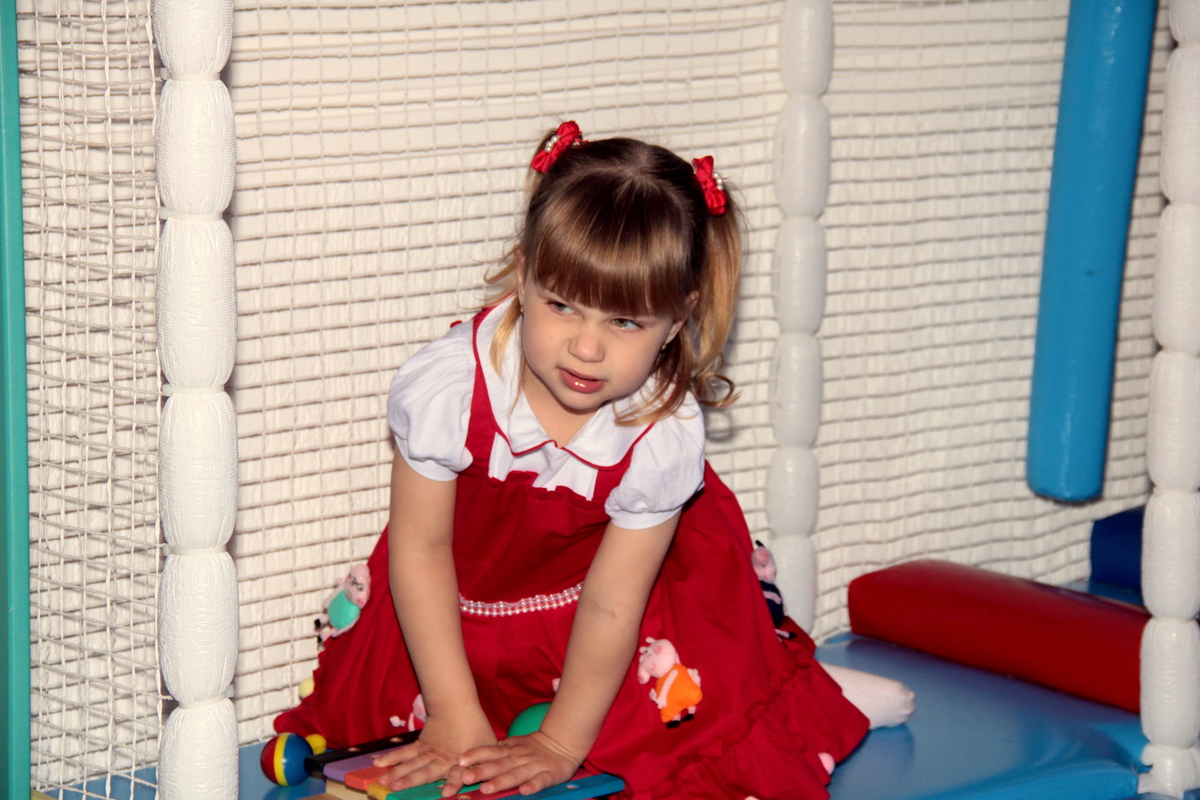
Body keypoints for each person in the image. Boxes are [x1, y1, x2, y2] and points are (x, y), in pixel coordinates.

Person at [274, 121, 868, 800]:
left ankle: (824, 700)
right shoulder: (451, 386)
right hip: (452, 601)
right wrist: (455, 713)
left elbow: (613, 606)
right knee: (404, 738)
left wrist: (560, 742)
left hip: (602, 615)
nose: (586, 349)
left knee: (687, 724)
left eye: (625, 322)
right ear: (524, 276)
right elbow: (421, 549)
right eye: (562, 306)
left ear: (678, 320)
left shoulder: (658, 433)